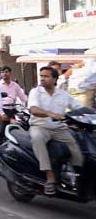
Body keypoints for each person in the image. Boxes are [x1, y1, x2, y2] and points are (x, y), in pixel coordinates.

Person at [28, 66, 83, 195]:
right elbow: (34, 110)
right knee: (37, 138)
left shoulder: (63, 94)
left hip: (59, 128)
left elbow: (78, 107)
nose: (42, 78)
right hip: (39, 126)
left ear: (54, 79)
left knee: (76, 146)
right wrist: (50, 114)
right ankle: (50, 177)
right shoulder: (35, 92)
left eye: (46, 76)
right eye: (41, 76)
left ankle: (77, 175)